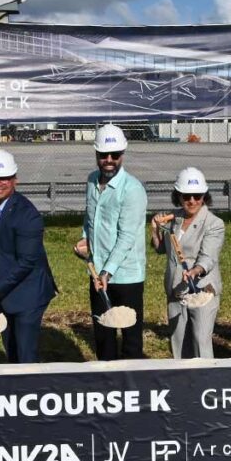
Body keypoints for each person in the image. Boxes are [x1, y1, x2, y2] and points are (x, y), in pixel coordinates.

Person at [0, 149, 58, 364]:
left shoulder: (28, 216)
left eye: (4, 178)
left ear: (15, 180)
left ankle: (30, 392)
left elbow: (26, 262)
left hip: (29, 291)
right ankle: (14, 389)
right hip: (5, 288)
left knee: (25, 354)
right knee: (10, 347)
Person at [74, 124, 147, 360]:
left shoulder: (132, 189)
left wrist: (108, 271)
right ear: (96, 154)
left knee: (130, 339)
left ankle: (132, 386)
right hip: (97, 273)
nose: (109, 160)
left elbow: (127, 236)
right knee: (103, 335)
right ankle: (107, 384)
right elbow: (90, 219)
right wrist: (85, 241)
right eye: (103, 155)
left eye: (114, 155)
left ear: (122, 155)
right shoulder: (91, 181)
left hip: (125, 276)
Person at [151, 167, 225, 358]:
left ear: (204, 196)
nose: (192, 201)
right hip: (176, 289)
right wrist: (155, 230)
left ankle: (206, 381)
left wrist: (195, 271)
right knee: (178, 342)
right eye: (186, 196)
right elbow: (161, 249)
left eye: (197, 196)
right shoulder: (173, 220)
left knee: (201, 341)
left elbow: (208, 257)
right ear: (179, 196)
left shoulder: (214, 223)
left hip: (201, 290)